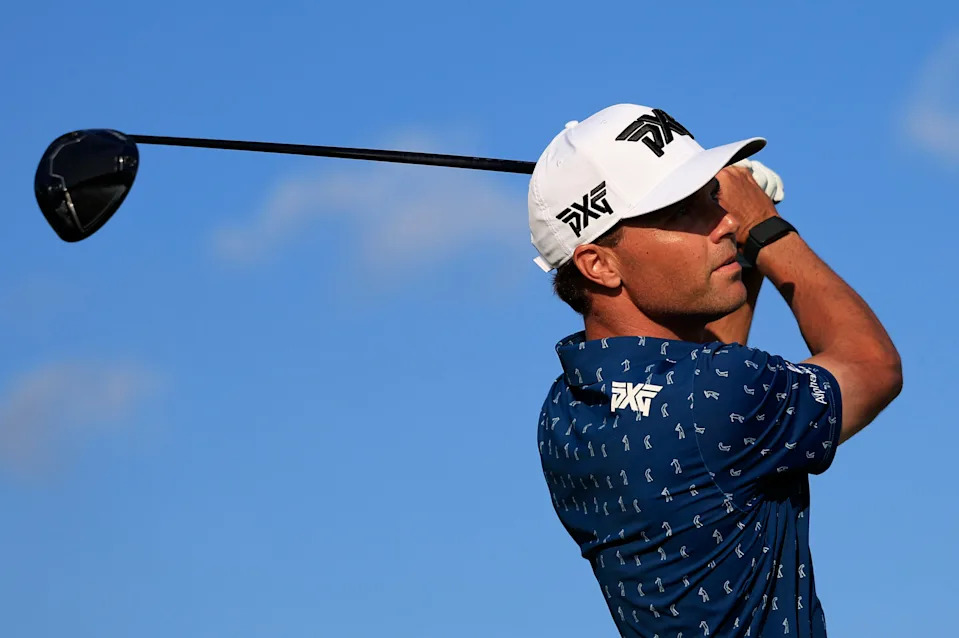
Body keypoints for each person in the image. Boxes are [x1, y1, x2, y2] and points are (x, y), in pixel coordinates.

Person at [528, 104, 902, 637]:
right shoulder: (718, 396)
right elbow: (872, 365)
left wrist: (737, 258)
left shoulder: (565, 413)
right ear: (599, 264)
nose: (724, 221)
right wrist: (765, 231)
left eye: (710, 196)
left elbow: (707, 383)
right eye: (682, 211)